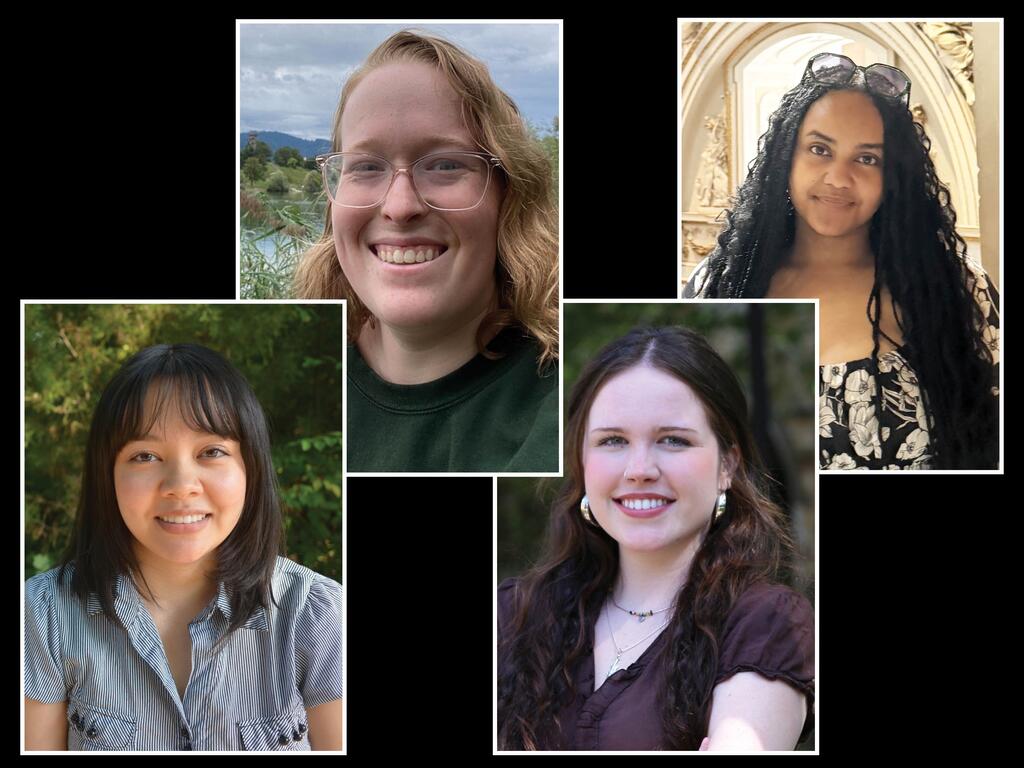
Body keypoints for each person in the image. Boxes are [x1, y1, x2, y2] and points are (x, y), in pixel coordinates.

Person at [497, 327, 813, 751]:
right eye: (613, 440)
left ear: (728, 465)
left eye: (672, 440)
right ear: (581, 460)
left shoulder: (765, 625)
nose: (639, 468)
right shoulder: (512, 615)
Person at [683, 52, 999, 470]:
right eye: (819, 149)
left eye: (867, 158)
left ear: (893, 177)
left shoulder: (960, 291)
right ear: (785, 159)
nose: (838, 177)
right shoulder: (719, 284)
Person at [24, 344, 343, 751]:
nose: (180, 484)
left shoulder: (316, 615)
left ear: (252, 468)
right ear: (107, 475)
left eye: (211, 452)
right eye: (145, 456)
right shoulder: (44, 613)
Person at [294, 30, 559, 472]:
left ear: (510, 196)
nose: (400, 207)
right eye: (365, 167)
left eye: (445, 164)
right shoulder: (294, 384)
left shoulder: (566, 410)